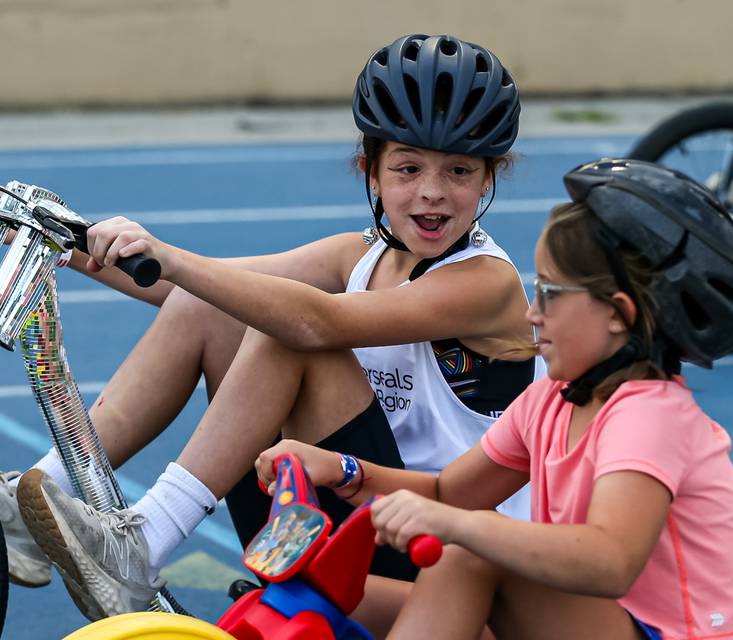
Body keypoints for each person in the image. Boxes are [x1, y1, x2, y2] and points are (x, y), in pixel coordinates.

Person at [6, 34, 537, 620]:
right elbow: (183, 288)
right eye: (408, 169)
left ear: (489, 179)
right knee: (210, 305)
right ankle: (34, 500)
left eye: (459, 171)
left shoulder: (486, 283)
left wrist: (175, 259)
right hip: (353, 509)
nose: (432, 192)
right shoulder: (355, 256)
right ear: (372, 171)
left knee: (287, 328)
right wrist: (69, 240)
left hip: (440, 553)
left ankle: (145, 539)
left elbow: (315, 322)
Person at [254, 159, 733, 639]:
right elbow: (448, 494)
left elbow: (610, 560)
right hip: (576, 618)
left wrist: (459, 526)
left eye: (550, 295)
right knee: (333, 594)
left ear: (617, 314)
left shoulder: (649, 415)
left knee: (473, 551)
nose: (532, 314)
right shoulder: (550, 400)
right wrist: (339, 469)